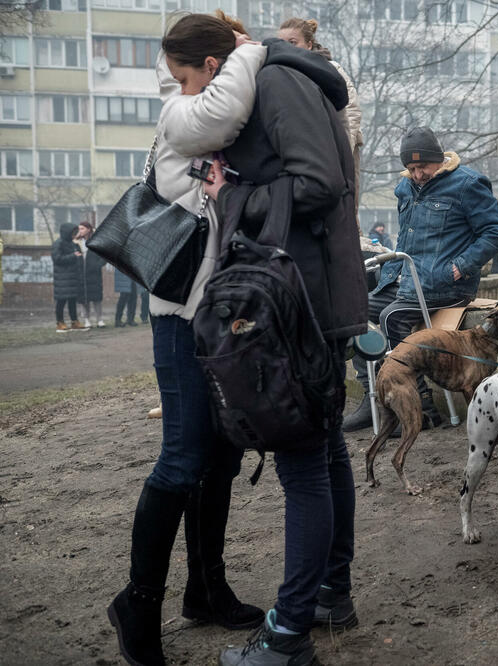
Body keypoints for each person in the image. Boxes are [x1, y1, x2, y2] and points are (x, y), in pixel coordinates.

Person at [106, 15, 267, 666]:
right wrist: (250, 54)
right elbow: (223, 113)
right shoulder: (184, 113)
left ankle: (206, 588)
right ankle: (137, 602)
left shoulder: (209, 98)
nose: (173, 86)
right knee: (182, 457)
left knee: (222, 455)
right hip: (179, 314)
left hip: (220, 314)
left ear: (205, 62)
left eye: (181, 73)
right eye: (176, 76)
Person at [207, 32, 368, 666]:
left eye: (192, 82)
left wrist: (232, 197)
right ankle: (330, 594)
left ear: (218, 64)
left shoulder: (277, 82)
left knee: (305, 465)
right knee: (324, 454)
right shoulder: (283, 82)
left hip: (305, 304)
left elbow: (319, 184)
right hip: (308, 296)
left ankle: (288, 635)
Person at [342, 126, 498, 432]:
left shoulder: (467, 184)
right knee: (354, 311)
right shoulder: (405, 188)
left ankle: (421, 407)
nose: (418, 174)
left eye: (423, 167)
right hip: (405, 280)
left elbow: (497, 233)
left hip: (446, 285)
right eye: (411, 168)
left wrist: (460, 266)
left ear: (439, 160)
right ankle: (373, 398)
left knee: (391, 317)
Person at [277, 16, 364, 229]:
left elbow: (350, 116)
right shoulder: (279, 74)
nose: (287, 48)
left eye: (293, 42)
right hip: (302, 157)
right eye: (282, 43)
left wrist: (340, 156)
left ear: (308, 44)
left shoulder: (330, 70)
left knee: (340, 218)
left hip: (335, 156)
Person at [51, 222, 87, 332]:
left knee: (72, 300)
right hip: (62, 278)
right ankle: (60, 323)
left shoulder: (73, 244)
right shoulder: (58, 243)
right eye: (73, 233)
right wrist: (73, 256)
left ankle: (74, 322)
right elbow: (57, 259)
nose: (74, 235)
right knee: (61, 301)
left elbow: (78, 257)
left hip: (72, 277)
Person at [75, 219, 107, 328]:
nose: (80, 231)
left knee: (96, 298)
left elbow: (104, 256)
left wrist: (97, 265)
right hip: (81, 275)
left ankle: (99, 320)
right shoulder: (76, 242)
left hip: (94, 275)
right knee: (84, 299)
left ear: (89, 229)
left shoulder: (96, 240)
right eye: (79, 229)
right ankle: (87, 320)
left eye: (82, 228)